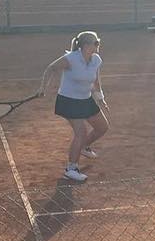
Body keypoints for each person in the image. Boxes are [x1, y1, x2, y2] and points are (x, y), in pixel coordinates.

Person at [40, 30, 109, 182]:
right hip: (69, 100)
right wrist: (43, 89)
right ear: (86, 45)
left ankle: (83, 147)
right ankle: (71, 169)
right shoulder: (70, 59)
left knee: (102, 127)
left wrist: (100, 98)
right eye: (96, 43)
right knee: (81, 132)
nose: (98, 45)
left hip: (86, 99)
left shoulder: (96, 59)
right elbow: (51, 68)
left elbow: (96, 81)